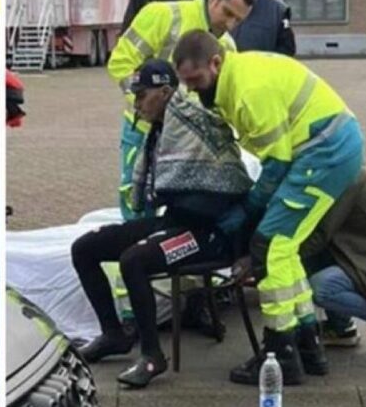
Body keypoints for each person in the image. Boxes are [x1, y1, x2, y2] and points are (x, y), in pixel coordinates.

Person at [172, 30, 364, 385]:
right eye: (186, 84)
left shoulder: (249, 91)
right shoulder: (232, 81)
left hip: (325, 151)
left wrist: (248, 209)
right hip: (325, 147)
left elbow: (276, 163)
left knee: (270, 246)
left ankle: (279, 353)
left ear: (215, 63)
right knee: (285, 249)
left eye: (196, 81)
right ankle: (308, 345)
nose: (193, 90)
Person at [72, 59, 253, 388]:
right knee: (85, 247)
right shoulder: (159, 130)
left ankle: (153, 356)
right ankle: (114, 334)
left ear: (167, 92)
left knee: (134, 260)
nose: (137, 103)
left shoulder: (194, 120)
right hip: (176, 222)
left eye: (142, 95)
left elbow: (231, 179)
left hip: (209, 233)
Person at [106, 0, 253, 334]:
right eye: (228, 13)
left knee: (185, 222)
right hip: (144, 133)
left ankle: (190, 304)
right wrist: (148, 108)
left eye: (238, 20)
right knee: (135, 210)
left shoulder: (226, 45)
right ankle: (131, 314)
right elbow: (119, 64)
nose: (229, 24)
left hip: (189, 149)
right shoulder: (161, 15)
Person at [298, 168, 366, 363]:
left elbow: (321, 233)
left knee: (323, 288)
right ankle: (340, 327)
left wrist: (271, 256)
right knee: (312, 260)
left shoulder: (344, 182)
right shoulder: (342, 172)